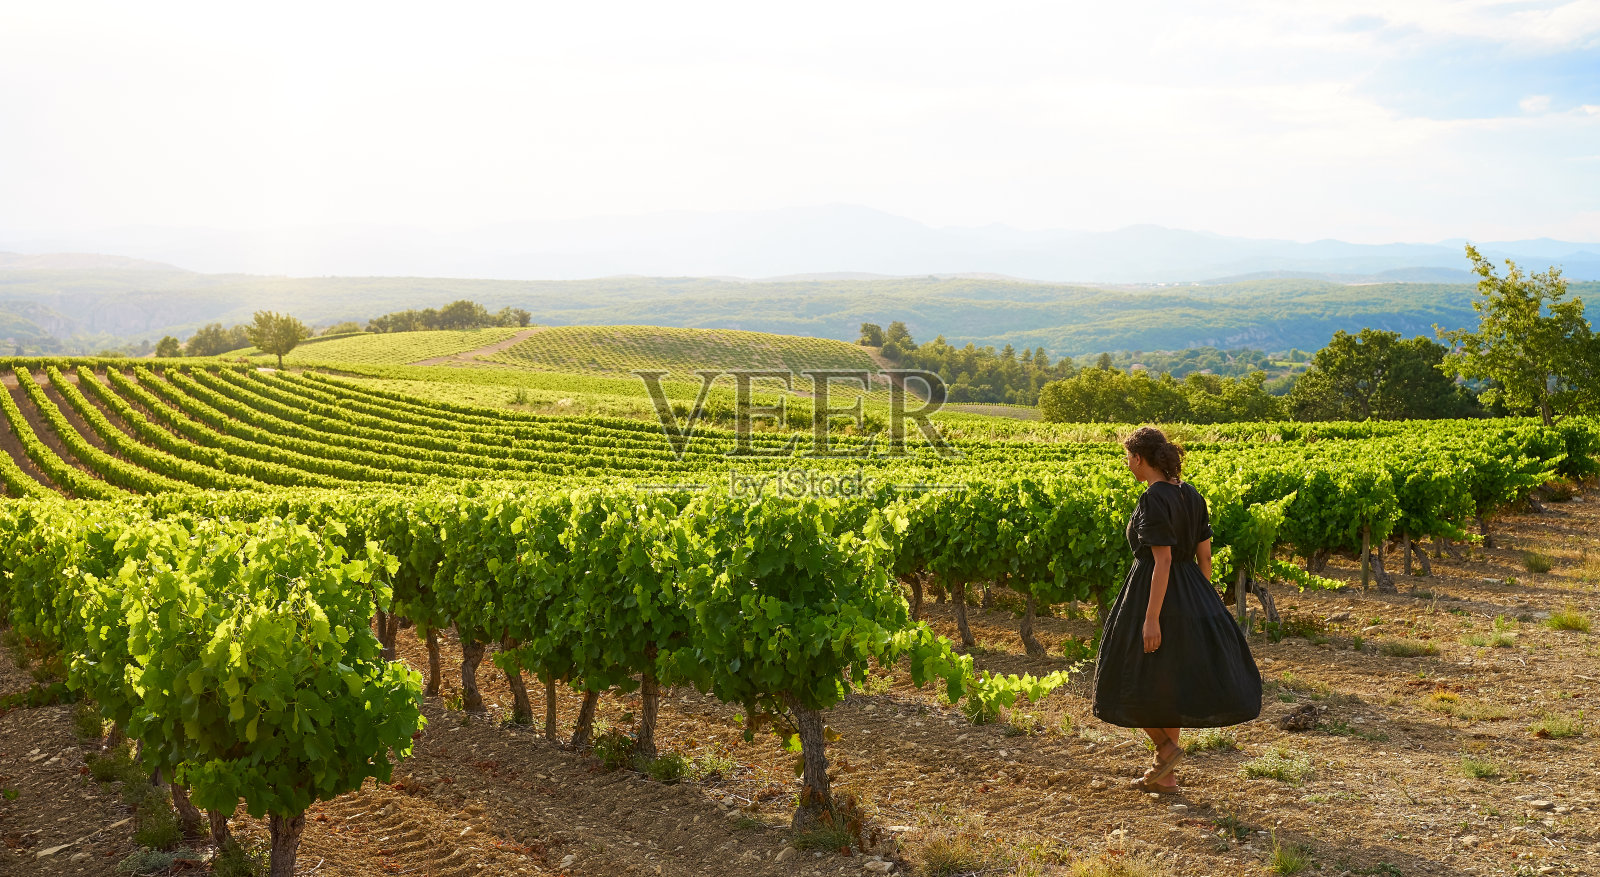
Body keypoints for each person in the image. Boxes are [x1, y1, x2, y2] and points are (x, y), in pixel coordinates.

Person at [1091, 427, 1262, 793]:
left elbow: (1163, 561)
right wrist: (1198, 599)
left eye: (1128, 458)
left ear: (1139, 458)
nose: (1127, 464)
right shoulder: (1192, 495)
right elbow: (1205, 557)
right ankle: (1164, 776)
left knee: (1122, 675)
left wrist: (1152, 618)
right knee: (1167, 682)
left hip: (1153, 595)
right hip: (1191, 594)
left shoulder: (1153, 498)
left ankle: (1165, 749)